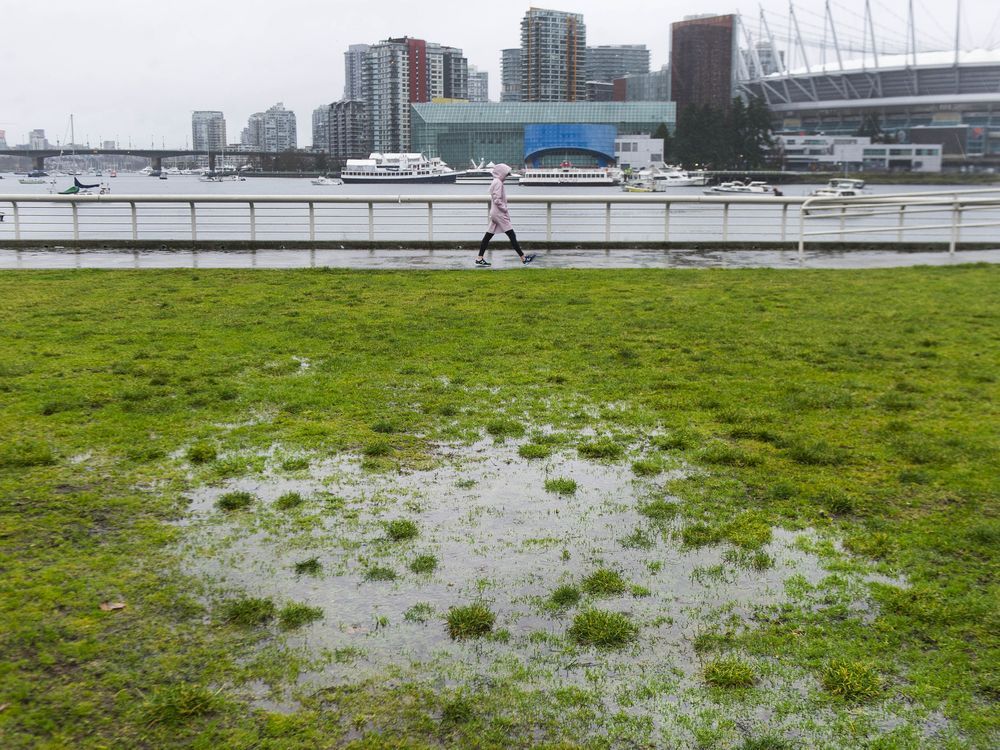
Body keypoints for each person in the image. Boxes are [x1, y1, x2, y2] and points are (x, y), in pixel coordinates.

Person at [475, 163, 535, 267]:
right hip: (499, 214)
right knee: (512, 235)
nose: (506, 177)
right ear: (501, 173)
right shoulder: (498, 183)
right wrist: (505, 209)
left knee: (488, 236)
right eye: (506, 174)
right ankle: (524, 259)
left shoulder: (495, 181)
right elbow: (497, 199)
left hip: (495, 213)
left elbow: (494, 198)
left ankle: (479, 258)